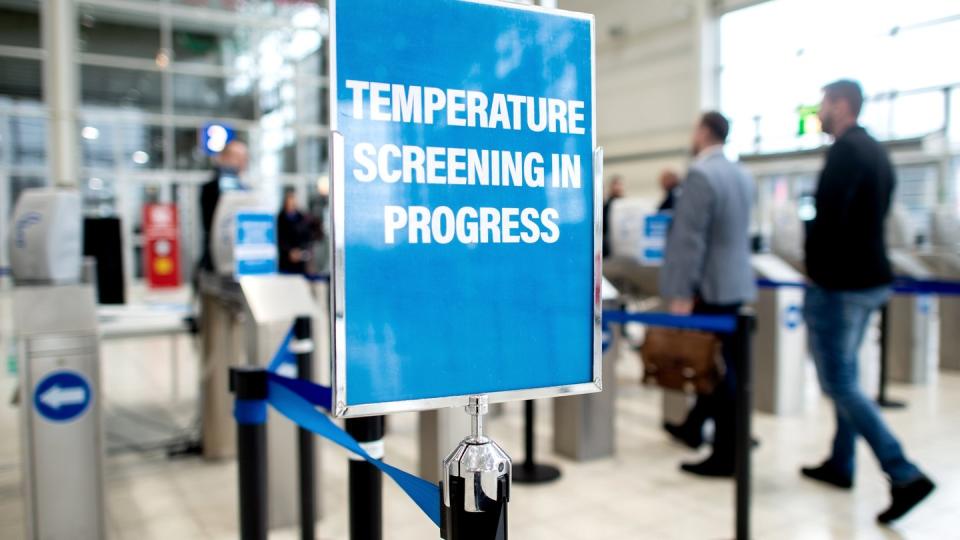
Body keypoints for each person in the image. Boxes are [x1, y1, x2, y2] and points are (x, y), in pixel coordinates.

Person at [801, 79, 934, 523]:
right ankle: (841, 463)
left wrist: (815, 272)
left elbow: (828, 218)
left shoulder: (844, 151)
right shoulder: (878, 152)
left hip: (840, 284)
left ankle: (904, 472)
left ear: (842, 105)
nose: (819, 112)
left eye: (823, 104)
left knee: (839, 382)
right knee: (849, 375)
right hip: (870, 279)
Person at [659, 111, 756, 477]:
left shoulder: (701, 174)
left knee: (715, 371)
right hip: (735, 284)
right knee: (727, 366)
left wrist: (681, 293)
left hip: (708, 287)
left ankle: (726, 453)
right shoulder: (742, 175)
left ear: (703, 132)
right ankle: (696, 426)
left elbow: (690, 241)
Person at [199, 140, 249, 272]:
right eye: (239, 157)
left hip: (240, 257)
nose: (243, 162)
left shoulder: (243, 189)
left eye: (244, 158)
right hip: (219, 259)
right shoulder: (214, 189)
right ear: (226, 158)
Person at [277, 187, 313, 275]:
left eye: (293, 202)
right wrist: (289, 251)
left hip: (300, 261)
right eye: (290, 202)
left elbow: (306, 236)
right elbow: (279, 238)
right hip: (285, 261)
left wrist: (301, 251)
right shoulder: (280, 219)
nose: (292, 205)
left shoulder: (301, 218)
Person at [602, 176, 625, 257]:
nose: (618, 187)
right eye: (616, 185)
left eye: (620, 185)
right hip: (610, 243)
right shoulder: (608, 205)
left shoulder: (625, 204)